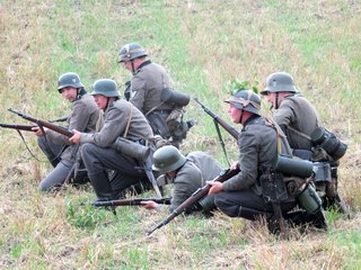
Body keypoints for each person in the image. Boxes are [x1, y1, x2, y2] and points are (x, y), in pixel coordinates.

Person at [207, 89, 327, 232]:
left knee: (222, 199)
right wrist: (240, 163)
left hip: (276, 197)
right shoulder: (268, 123)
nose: (229, 110)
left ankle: (278, 221)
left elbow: (247, 177)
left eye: (232, 106)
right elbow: (267, 157)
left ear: (244, 109)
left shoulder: (249, 134)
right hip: (291, 190)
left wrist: (222, 186)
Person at [260, 72, 346, 212]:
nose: (268, 99)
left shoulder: (288, 103)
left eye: (269, 94)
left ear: (279, 92)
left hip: (305, 160)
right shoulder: (301, 101)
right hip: (316, 158)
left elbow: (277, 125)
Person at [69, 79, 155, 201]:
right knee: (114, 193)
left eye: (98, 96)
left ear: (109, 96)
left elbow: (103, 140)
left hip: (139, 159)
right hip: (134, 157)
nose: (95, 100)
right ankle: (143, 183)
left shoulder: (118, 109)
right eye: (94, 96)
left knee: (88, 149)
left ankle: (104, 198)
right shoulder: (112, 108)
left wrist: (82, 137)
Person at [117, 42, 193, 148]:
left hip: (153, 125)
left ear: (134, 60)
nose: (125, 66)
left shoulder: (140, 76)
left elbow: (133, 109)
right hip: (168, 122)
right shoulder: (159, 68)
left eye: (126, 62)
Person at [34, 72, 101, 192]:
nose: (66, 94)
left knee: (44, 189)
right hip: (85, 149)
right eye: (62, 91)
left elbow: (69, 137)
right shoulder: (86, 99)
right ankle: (65, 175)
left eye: (68, 89)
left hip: (78, 155)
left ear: (78, 87)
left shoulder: (82, 104)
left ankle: (73, 177)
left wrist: (48, 130)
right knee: (43, 138)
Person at [141, 145, 224, 214]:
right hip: (223, 190)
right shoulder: (196, 155)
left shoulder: (184, 178)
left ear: (168, 169)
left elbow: (175, 211)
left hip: (217, 201)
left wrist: (155, 206)